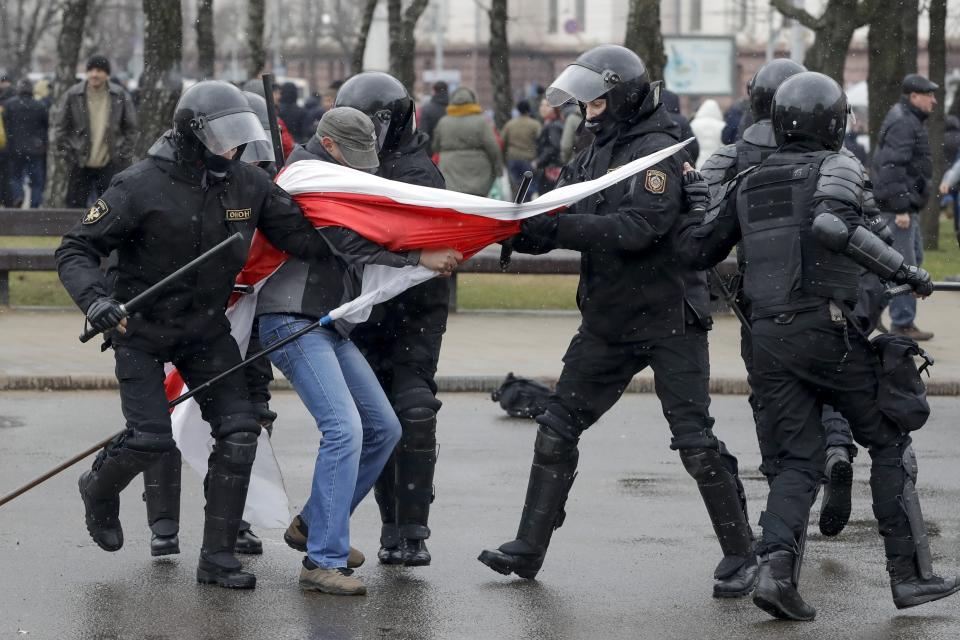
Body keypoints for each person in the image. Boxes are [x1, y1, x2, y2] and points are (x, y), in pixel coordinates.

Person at [677, 71, 959, 621]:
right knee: (888, 438)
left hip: (766, 338)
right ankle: (910, 576)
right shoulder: (840, 164)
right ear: (835, 121)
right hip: (824, 329)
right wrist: (909, 272)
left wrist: (694, 201)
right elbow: (833, 223)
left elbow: (695, 251)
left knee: (795, 462)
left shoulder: (748, 178)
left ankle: (776, 573)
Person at [477, 45, 757, 599]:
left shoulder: (658, 149)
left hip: (668, 315)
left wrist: (557, 231)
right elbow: (563, 210)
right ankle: (528, 548)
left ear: (623, 94)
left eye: (596, 97)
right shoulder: (592, 145)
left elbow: (637, 229)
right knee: (557, 428)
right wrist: (521, 227)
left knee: (694, 441)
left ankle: (742, 554)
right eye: (585, 99)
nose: (587, 107)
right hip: (608, 315)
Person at [55, 80, 337, 589]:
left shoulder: (249, 184)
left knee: (241, 430)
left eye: (238, 139)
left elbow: (301, 236)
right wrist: (96, 300)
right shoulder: (137, 185)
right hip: (139, 329)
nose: (231, 150)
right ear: (191, 135)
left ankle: (218, 557)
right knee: (147, 440)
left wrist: (378, 236)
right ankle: (97, 488)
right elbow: (75, 248)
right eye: (221, 139)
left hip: (206, 331)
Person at [258, 106, 460, 594]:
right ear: (328, 144)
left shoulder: (328, 171)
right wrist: (417, 256)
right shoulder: (306, 177)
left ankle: (315, 524)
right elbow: (346, 240)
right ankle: (322, 560)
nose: (360, 165)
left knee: (382, 428)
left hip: (328, 321)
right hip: (292, 318)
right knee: (344, 428)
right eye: (353, 155)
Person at [698, 58, 860, 538]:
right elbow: (864, 218)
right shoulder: (835, 158)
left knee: (773, 400)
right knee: (831, 384)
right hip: (828, 294)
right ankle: (836, 451)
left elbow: (701, 221)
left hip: (763, 298)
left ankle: (780, 493)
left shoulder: (733, 156)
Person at [138, 89, 282, 560]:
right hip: (182, 314)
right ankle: (163, 520)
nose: (238, 155)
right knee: (163, 413)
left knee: (246, 418)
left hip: (247, 313)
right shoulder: (172, 178)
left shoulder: (262, 181)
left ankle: (233, 520)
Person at [331, 71, 452, 567]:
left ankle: (414, 528)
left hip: (413, 314)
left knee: (415, 410)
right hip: (361, 316)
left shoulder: (421, 175)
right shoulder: (342, 166)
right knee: (376, 421)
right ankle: (389, 526)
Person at [871, 73, 938, 341]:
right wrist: (900, 208)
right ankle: (901, 322)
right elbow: (891, 168)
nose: (934, 100)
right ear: (914, 96)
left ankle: (875, 307)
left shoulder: (906, 118)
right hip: (899, 208)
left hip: (905, 206)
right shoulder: (903, 123)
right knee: (905, 266)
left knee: (914, 260)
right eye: (929, 95)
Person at [54, 55, 139, 208]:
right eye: (91, 70)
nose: (94, 74)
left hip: (110, 163)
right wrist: (68, 154)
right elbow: (60, 128)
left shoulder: (119, 95)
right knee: (74, 210)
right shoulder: (73, 94)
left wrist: (122, 154)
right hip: (79, 163)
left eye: (99, 70)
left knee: (111, 211)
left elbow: (131, 128)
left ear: (106, 74)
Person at [431, 86, 502, 196]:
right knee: (477, 204)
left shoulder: (444, 122)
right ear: (472, 101)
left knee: (455, 203)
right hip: (478, 171)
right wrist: (498, 169)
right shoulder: (481, 121)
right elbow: (493, 147)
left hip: (450, 170)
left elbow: (435, 147)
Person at [2, 78, 48, 208]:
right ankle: (34, 205)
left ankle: (18, 196)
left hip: (15, 148)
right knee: (36, 181)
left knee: (15, 177)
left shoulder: (9, 105)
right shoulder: (40, 105)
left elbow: (5, 126)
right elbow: (46, 126)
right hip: (35, 148)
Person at [501, 100, 542, 200]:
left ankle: (519, 204)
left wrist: (504, 158)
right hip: (528, 158)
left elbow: (502, 141)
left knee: (518, 184)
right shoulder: (535, 124)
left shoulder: (509, 124)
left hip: (513, 158)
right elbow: (541, 141)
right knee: (529, 183)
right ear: (529, 110)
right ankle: (533, 197)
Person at [532, 98, 564, 194]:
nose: (543, 108)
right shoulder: (550, 124)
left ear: (555, 109)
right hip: (550, 169)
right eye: (542, 105)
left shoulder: (553, 126)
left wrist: (539, 161)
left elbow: (553, 147)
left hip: (551, 172)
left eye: (547, 105)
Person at [661, 88, 699, 166]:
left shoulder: (652, 120)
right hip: (679, 166)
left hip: (656, 165)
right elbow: (693, 147)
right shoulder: (681, 121)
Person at [690, 99, 725, 169]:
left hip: (698, 160)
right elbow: (723, 145)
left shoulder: (694, 124)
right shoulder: (721, 126)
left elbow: (691, 144)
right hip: (716, 161)